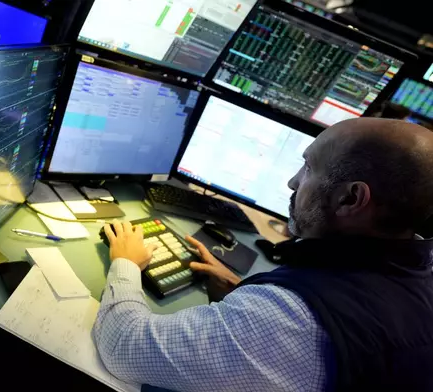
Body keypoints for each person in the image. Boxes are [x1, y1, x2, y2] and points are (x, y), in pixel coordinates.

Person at [94, 118, 433, 392]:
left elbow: (124, 347)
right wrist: (244, 288)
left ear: (350, 199)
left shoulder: (293, 320)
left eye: (309, 168)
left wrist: (126, 263)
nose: (292, 182)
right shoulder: (421, 281)